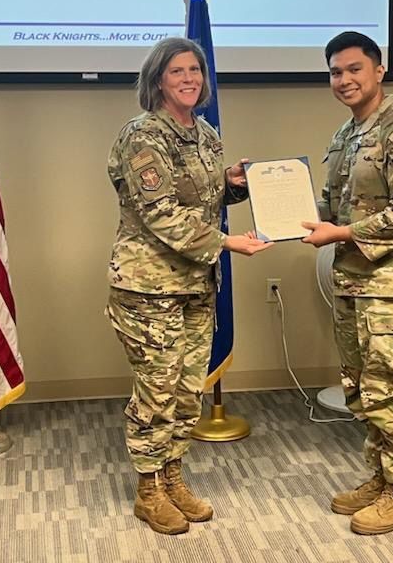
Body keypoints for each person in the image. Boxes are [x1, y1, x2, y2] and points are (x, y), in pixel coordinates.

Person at [106, 37, 271, 536]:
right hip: (149, 287)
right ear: (158, 79)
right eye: (178, 71)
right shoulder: (142, 136)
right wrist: (228, 243)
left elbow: (204, 197)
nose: (189, 79)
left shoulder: (204, 132)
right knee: (156, 392)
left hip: (197, 284)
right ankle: (148, 489)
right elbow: (161, 214)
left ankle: (173, 476)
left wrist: (235, 182)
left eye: (195, 71)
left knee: (185, 392)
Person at [302, 31, 393, 535]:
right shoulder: (345, 136)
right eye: (336, 72)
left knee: (391, 387)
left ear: (378, 71)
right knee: (362, 388)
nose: (344, 80)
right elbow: (327, 205)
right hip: (355, 280)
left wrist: (341, 232)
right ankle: (382, 478)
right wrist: (281, 211)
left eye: (354, 69)